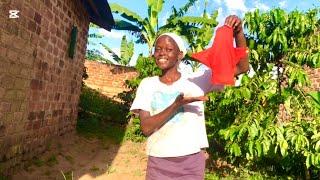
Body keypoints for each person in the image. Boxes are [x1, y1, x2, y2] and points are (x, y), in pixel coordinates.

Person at [130, 15, 249, 180]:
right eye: (158, 49)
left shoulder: (197, 80)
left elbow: (242, 67)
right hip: (159, 162)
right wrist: (176, 105)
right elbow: (146, 128)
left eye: (168, 49)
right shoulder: (147, 84)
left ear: (180, 55)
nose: (162, 53)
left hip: (191, 163)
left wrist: (239, 34)